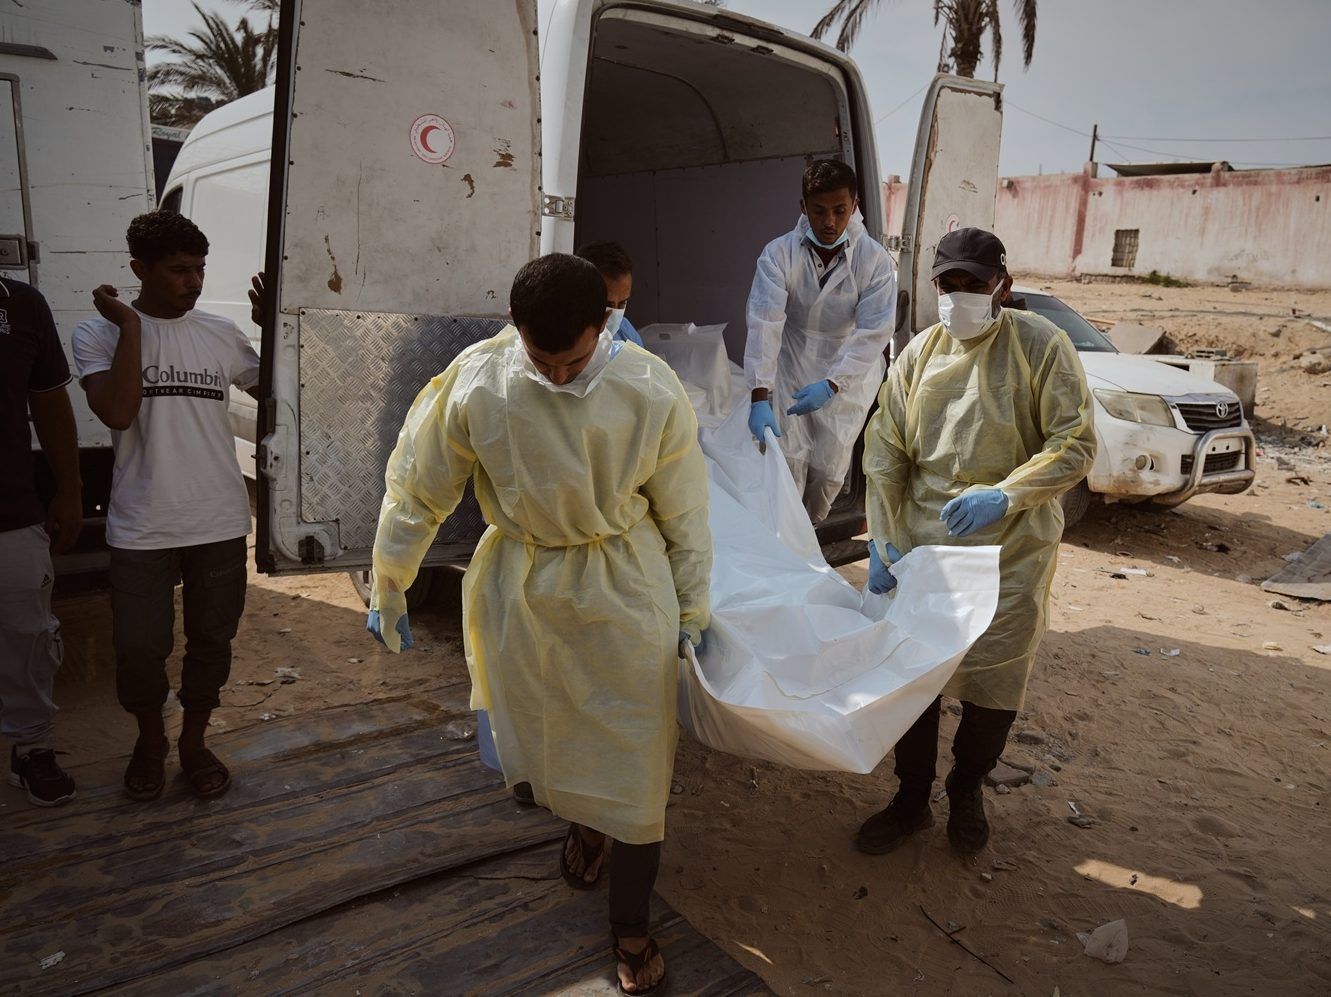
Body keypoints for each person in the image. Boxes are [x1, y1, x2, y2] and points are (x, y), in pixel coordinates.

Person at [367, 253, 710, 995]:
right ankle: (582, 826)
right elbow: (418, 488)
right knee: (548, 738)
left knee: (634, 766)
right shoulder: (479, 379)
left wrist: (692, 607)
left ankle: (630, 925)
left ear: (604, 326)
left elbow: (685, 512)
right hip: (521, 588)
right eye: (542, 360)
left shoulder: (647, 388)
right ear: (515, 329)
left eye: (575, 360)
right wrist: (390, 579)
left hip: (621, 587)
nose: (557, 376)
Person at [855, 227, 1095, 855]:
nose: (959, 297)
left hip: (1009, 550)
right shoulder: (919, 354)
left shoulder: (1041, 346)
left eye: (974, 285)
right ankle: (911, 799)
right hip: (927, 547)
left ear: (1003, 287)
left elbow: (1074, 443)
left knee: (994, 681)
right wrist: (883, 535)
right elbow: (886, 448)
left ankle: (967, 790)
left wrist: (1007, 495)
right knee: (918, 675)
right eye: (948, 285)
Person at [72, 210, 260, 802]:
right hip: (142, 524)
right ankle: (150, 740)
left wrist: (271, 329)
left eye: (200, 269)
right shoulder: (97, 334)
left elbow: (281, 395)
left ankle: (195, 742)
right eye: (180, 271)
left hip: (219, 521)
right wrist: (131, 327)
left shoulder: (220, 333)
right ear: (139, 270)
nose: (194, 282)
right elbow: (118, 412)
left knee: (212, 641)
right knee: (139, 647)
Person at [743, 158, 897, 523]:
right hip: (791, 360)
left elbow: (874, 331)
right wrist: (759, 395)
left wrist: (833, 383)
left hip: (848, 368)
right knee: (787, 462)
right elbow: (765, 323)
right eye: (819, 211)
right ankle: (788, 544)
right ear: (803, 208)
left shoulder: (874, 260)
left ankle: (811, 535)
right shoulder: (779, 254)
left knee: (828, 470)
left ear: (854, 206)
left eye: (840, 210)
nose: (829, 222)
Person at [1, 277, 82, 806]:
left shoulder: (21, 304)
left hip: (10, 510)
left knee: (28, 636)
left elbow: (50, 403)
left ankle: (31, 749)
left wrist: (70, 491)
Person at [577, 240, 644, 346]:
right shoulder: (565, 339)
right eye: (607, 304)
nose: (614, 314)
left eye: (622, 303)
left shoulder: (626, 334)